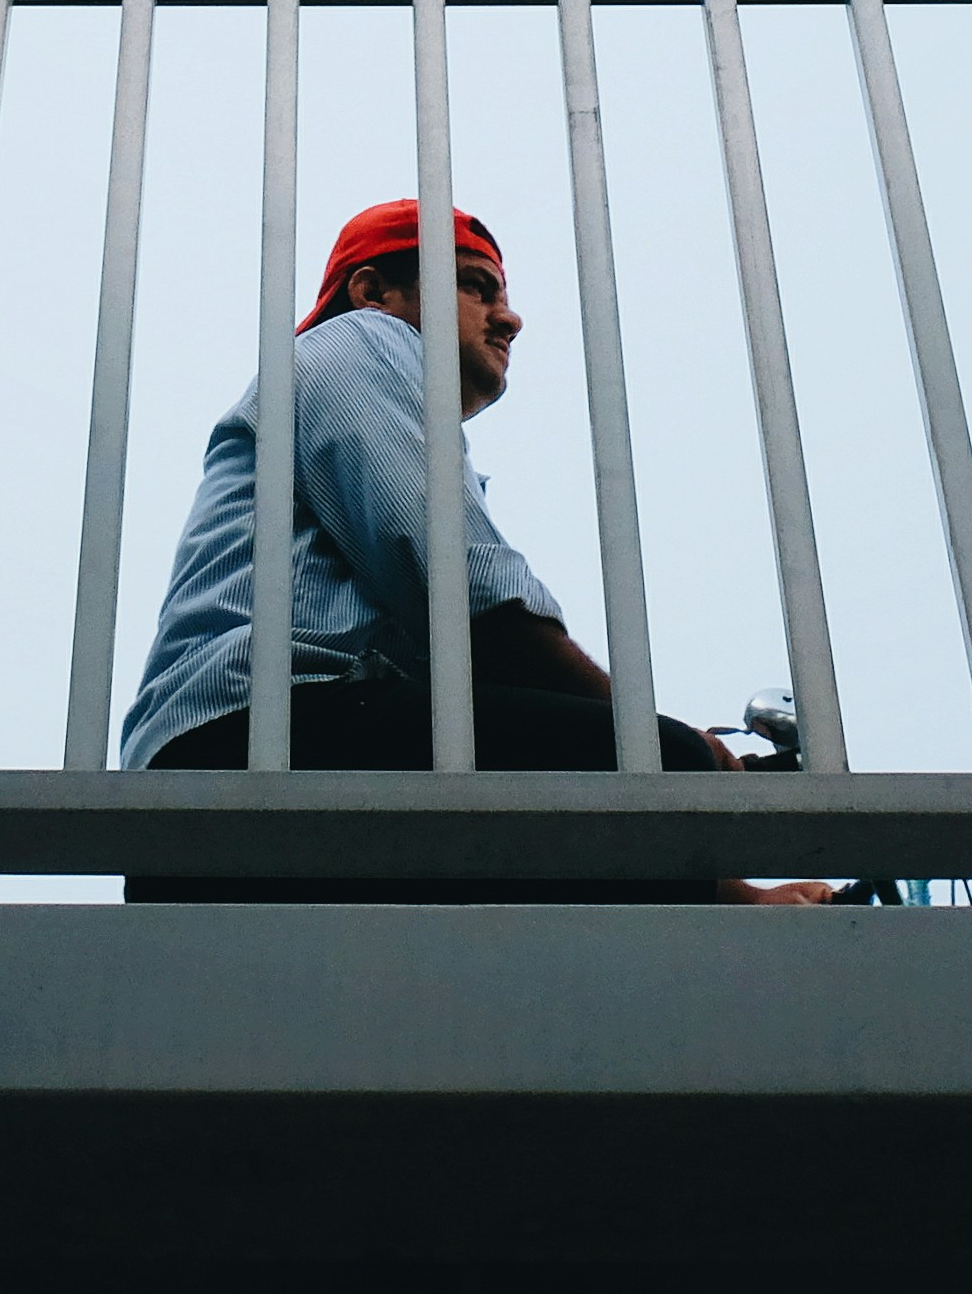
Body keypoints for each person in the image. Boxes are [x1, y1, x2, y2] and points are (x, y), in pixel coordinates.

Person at [115, 197, 829, 904]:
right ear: (374, 291)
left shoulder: (340, 406)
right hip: (260, 741)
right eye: (474, 286)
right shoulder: (357, 340)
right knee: (658, 767)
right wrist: (655, 748)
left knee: (609, 818)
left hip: (247, 785)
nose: (509, 318)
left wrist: (736, 893)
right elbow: (466, 594)